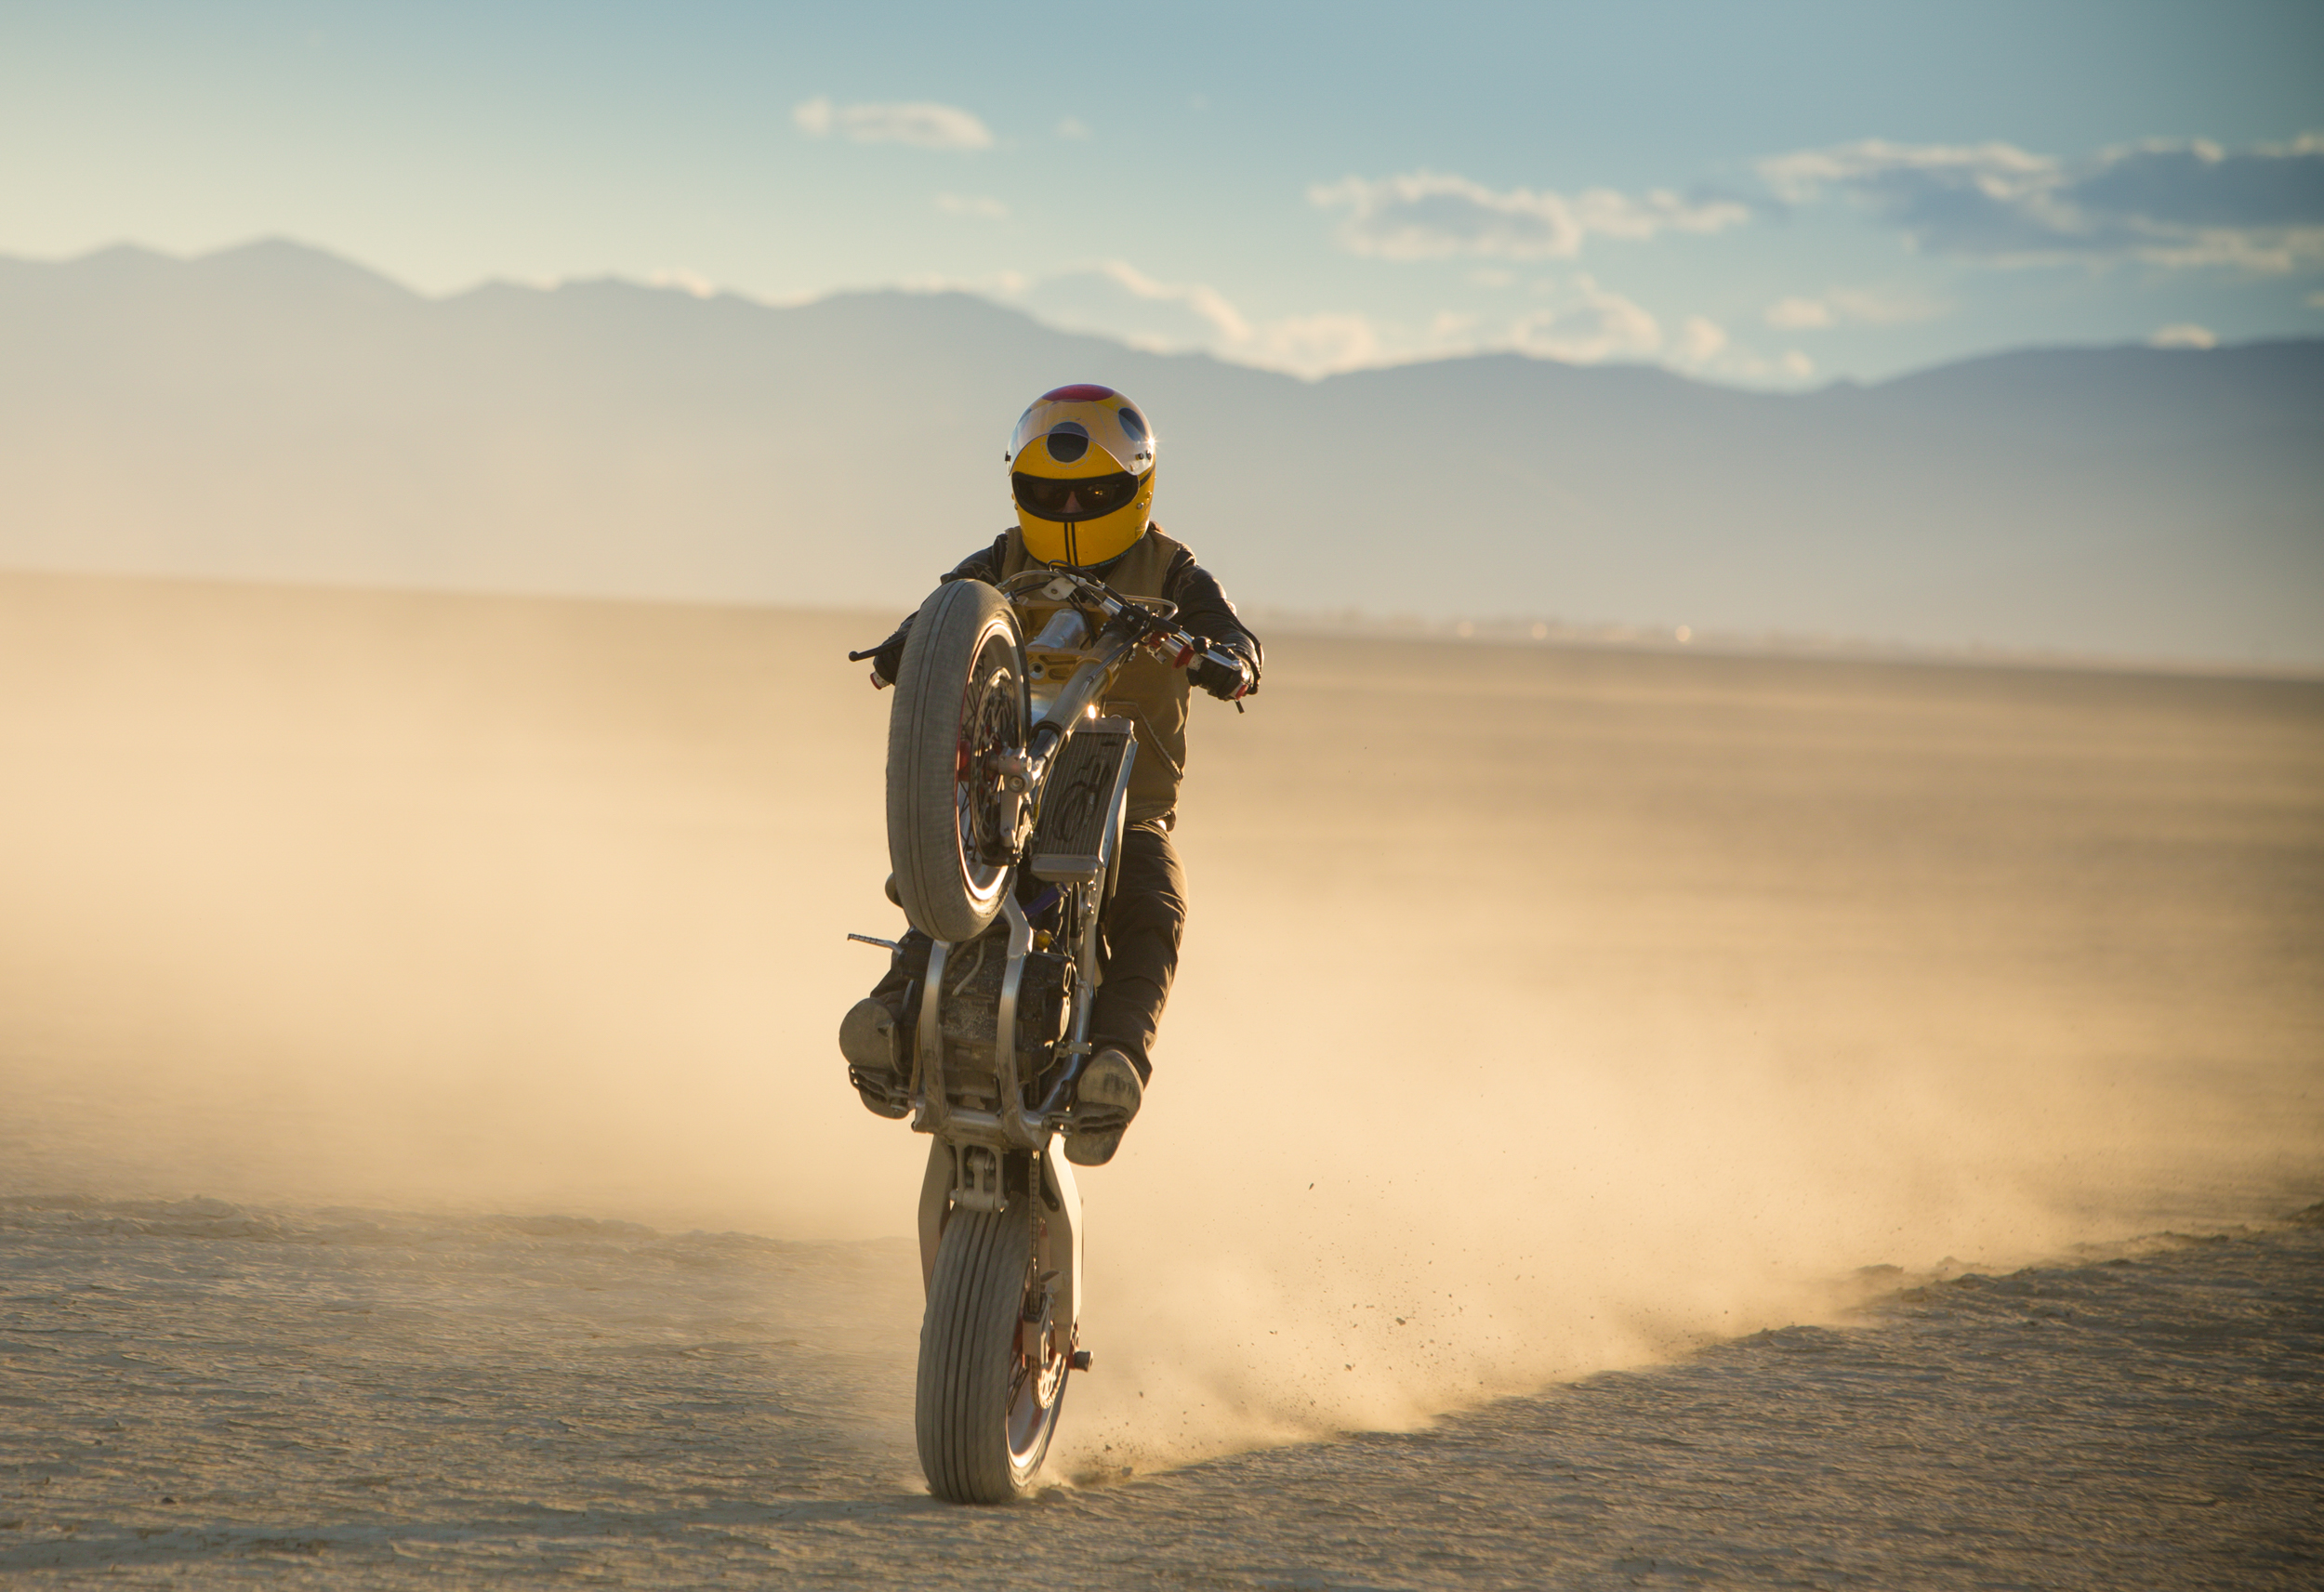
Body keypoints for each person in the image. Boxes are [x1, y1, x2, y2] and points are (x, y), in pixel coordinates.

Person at [838, 384, 1261, 1165]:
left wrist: (1220, 660)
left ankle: (1114, 1067)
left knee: (1154, 906)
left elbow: (1237, 644)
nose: (1068, 509)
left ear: (1134, 489)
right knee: (949, 873)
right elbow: (940, 610)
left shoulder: (1173, 569)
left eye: (1090, 494)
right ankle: (890, 1019)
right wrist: (903, 647)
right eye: (1050, 492)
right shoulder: (1003, 560)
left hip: (1125, 804)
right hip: (1008, 786)